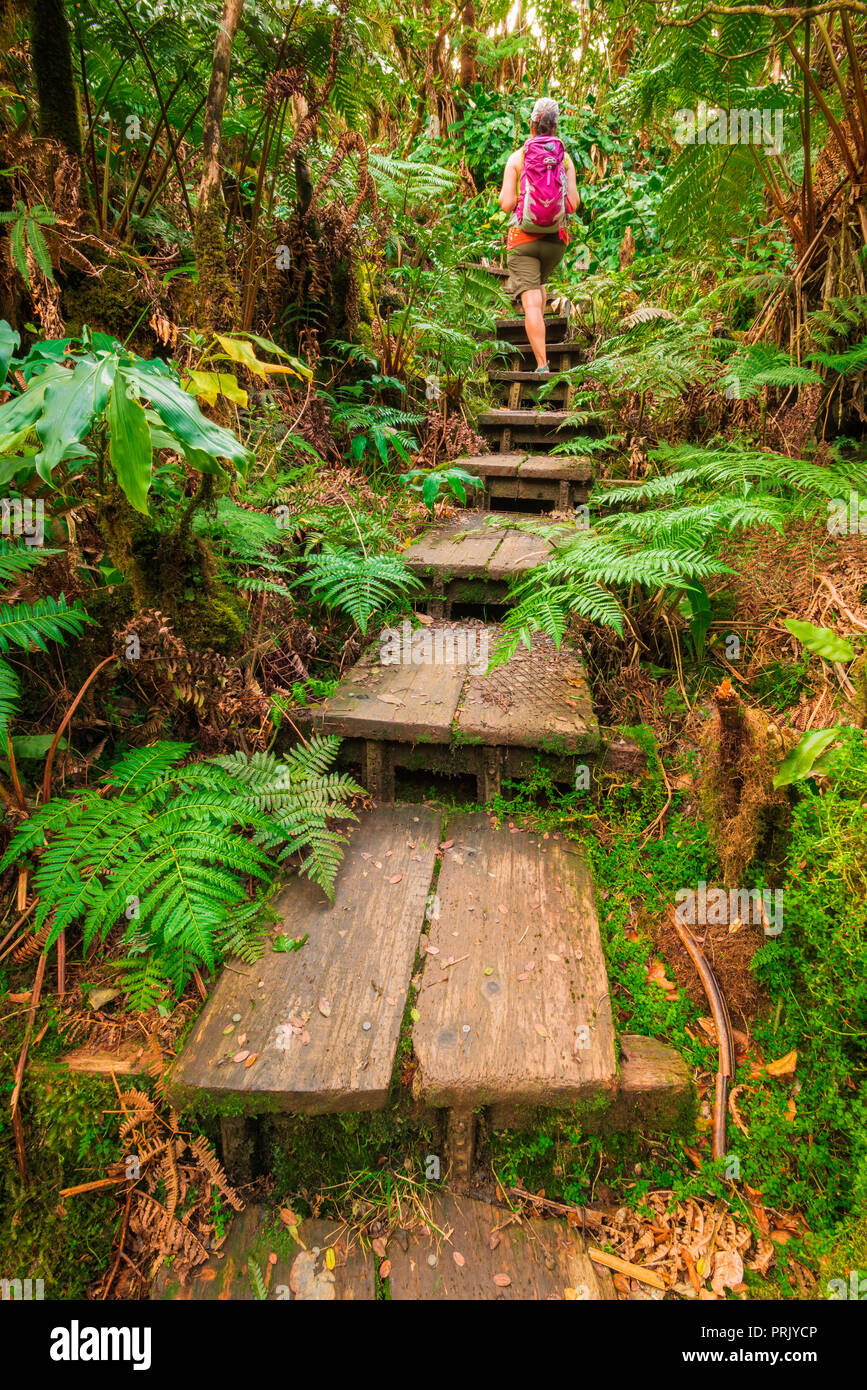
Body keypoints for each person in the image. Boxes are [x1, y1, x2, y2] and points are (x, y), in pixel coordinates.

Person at [498, 97, 579, 372]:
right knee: (539, 285)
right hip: (555, 243)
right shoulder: (564, 158)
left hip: (523, 241)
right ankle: (543, 344)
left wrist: (526, 200)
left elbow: (507, 203)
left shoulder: (517, 157)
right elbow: (573, 204)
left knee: (531, 302)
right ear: (555, 127)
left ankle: (543, 365)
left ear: (531, 126)